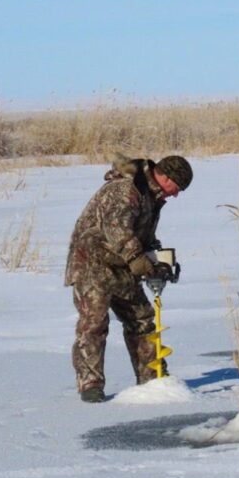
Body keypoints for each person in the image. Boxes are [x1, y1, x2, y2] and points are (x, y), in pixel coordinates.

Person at [64, 153, 193, 403]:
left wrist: (158, 259)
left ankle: (153, 378)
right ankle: (91, 385)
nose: (176, 195)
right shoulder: (126, 189)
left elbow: (142, 236)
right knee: (94, 324)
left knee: (142, 320)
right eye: (176, 188)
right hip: (92, 263)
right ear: (165, 176)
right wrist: (138, 260)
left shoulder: (152, 197)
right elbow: (118, 229)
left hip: (121, 265)